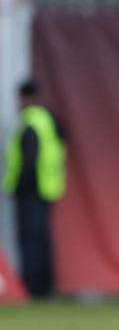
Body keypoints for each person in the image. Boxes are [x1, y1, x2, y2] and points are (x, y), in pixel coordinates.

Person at [3, 80, 67, 297]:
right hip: (48, 189)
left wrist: (18, 187)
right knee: (42, 240)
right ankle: (45, 287)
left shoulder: (29, 122)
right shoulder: (48, 120)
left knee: (30, 241)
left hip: (31, 191)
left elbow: (29, 162)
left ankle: (32, 288)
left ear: (25, 97)